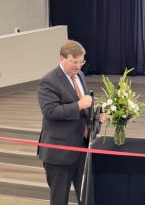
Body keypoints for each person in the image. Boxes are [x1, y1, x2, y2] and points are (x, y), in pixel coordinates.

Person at [37, 40, 106, 205]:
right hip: (59, 152)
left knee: (87, 197)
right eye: (74, 62)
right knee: (60, 199)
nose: (78, 66)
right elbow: (50, 112)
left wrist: (97, 117)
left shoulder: (80, 75)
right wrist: (78, 105)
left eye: (81, 62)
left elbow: (83, 109)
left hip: (82, 147)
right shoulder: (48, 81)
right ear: (62, 58)